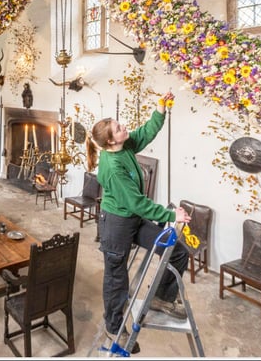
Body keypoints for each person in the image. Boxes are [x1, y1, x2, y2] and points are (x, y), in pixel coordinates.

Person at [86, 91, 191, 350]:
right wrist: (171, 215)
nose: (125, 127)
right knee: (116, 277)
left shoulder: (127, 145)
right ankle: (114, 328)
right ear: (110, 141)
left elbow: (146, 132)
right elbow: (136, 202)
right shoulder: (111, 166)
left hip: (133, 219)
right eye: (119, 128)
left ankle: (161, 298)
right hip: (116, 224)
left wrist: (160, 109)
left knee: (176, 250)